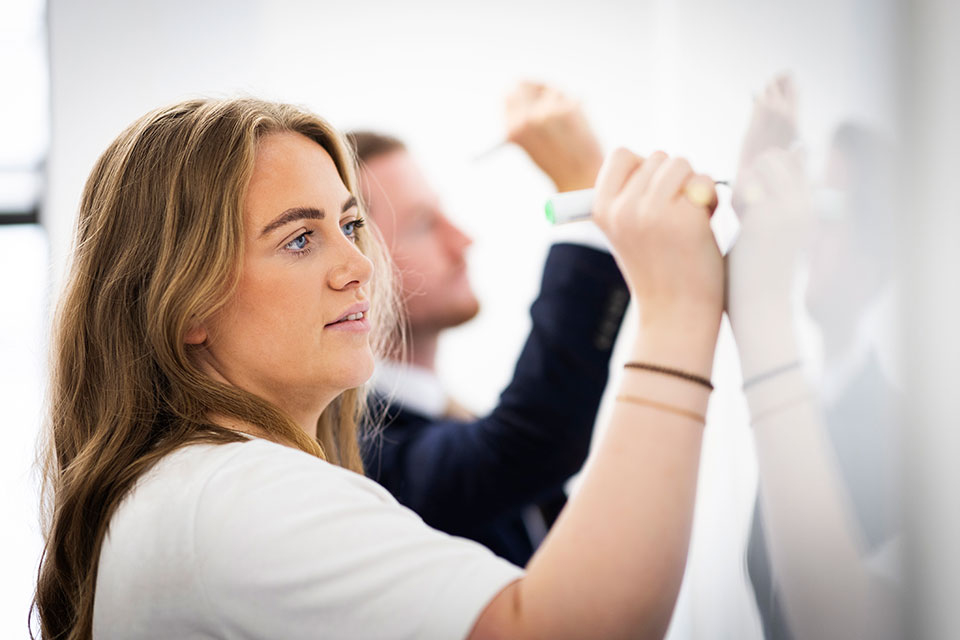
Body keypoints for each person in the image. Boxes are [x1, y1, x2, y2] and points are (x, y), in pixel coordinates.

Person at [33, 96, 723, 640]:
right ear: (182, 303)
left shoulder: (190, 487)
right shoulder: (235, 491)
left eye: (353, 226)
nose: (360, 265)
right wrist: (678, 310)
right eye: (300, 239)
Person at [347, 82, 629, 566]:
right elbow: (529, 443)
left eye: (443, 213)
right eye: (421, 224)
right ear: (350, 267)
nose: (463, 239)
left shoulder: (451, 418)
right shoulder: (358, 455)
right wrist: (583, 198)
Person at [727, 76, 900, 639]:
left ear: (879, 248)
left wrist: (761, 302)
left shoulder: (912, 439)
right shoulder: (810, 405)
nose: (805, 233)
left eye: (826, 208)